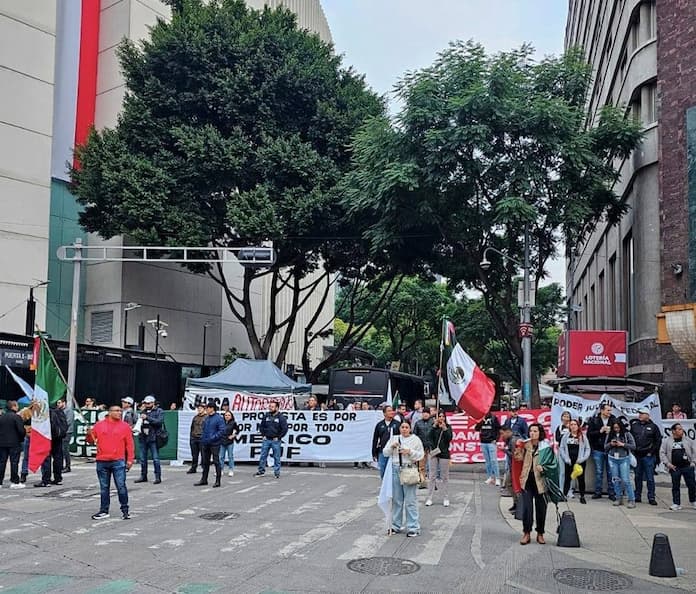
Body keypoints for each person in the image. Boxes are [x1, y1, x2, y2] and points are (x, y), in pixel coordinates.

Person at [86, 404, 135, 520]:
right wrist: (88, 434)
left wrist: (130, 460)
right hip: (102, 460)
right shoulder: (99, 425)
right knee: (104, 487)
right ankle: (104, 510)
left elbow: (130, 444)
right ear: (110, 412)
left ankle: (125, 509)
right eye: (117, 411)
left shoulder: (125, 427)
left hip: (118, 460)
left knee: (121, 486)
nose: (119, 413)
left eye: (120, 411)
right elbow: (90, 441)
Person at [383, 421, 424, 536]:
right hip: (395, 469)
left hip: (409, 469)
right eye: (402, 427)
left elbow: (420, 455)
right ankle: (396, 525)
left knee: (410, 500)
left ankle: (413, 527)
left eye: (407, 427)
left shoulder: (415, 439)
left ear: (410, 429)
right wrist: (391, 447)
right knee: (397, 500)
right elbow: (385, 453)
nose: (404, 429)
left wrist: (410, 452)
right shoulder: (394, 438)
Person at [519, 423, 549, 545]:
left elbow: (553, 464)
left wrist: (544, 468)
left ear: (540, 433)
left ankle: (540, 533)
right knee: (527, 508)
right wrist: (517, 449)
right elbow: (518, 460)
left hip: (540, 480)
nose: (532, 433)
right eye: (531, 431)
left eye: (535, 431)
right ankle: (526, 532)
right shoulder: (525, 445)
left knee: (541, 508)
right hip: (527, 479)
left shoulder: (545, 447)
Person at [660, 422, 696, 511]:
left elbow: (694, 452)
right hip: (674, 467)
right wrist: (668, 464)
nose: (681, 430)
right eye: (679, 429)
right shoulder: (667, 441)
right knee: (675, 486)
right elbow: (662, 453)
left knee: (692, 485)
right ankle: (676, 503)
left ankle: (693, 500)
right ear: (673, 431)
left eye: (681, 429)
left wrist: (693, 462)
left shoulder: (688, 440)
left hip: (687, 466)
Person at [630, 407, 662, 505]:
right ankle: (637, 496)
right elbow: (630, 439)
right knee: (637, 476)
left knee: (649, 478)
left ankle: (651, 497)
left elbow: (658, 441)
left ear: (647, 415)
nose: (640, 415)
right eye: (639, 413)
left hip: (648, 456)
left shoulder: (654, 427)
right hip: (637, 455)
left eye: (642, 413)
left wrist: (651, 452)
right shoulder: (634, 426)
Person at [587, 403, 617, 500]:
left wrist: (611, 431)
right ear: (602, 410)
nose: (609, 412)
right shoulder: (594, 420)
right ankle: (598, 491)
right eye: (608, 410)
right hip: (598, 449)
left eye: (610, 410)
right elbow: (589, 434)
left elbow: (619, 432)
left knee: (610, 472)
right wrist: (600, 431)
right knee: (599, 472)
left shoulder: (614, 419)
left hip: (610, 449)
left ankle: (611, 493)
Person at [35, 403, 68, 488]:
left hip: (47, 437)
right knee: (58, 458)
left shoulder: (45, 412)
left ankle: (46, 480)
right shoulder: (60, 412)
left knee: (46, 459)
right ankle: (58, 478)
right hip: (58, 438)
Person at [605, 420, 636, 508]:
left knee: (626, 480)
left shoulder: (627, 434)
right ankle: (618, 497)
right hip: (612, 458)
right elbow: (605, 447)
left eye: (618, 428)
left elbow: (633, 446)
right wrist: (611, 444)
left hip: (624, 458)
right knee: (615, 479)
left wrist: (622, 444)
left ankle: (631, 499)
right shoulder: (610, 434)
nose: (616, 429)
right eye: (614, 428)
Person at [559, 419, 590, 504]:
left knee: (581, 479)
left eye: (575, 424)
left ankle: (582, 496)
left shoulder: (583, 436)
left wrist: (583, 458)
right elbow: (561, 448)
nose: (573, 426)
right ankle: (564, 495)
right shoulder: (566, 436)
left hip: (579, 462)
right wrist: (565, 458)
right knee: (567, 479)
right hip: (569, 461)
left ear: (578, 426)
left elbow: (587, 449)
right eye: (571, 424)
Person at [195, 402, 226, 487]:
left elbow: (222, 431)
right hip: (205, 443)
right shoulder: (207, 418)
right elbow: (204, 430)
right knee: (205, 462)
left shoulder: (219, 418)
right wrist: (203, 439)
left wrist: (213, 438)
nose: (206, 410)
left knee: (216, 461)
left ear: (212, 408)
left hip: (215, 443)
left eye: (207, 408)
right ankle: (204, 479)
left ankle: (218, 481)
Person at [254, 401, 288, 478]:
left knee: (276, 456)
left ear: (277, 408)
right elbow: (262, 426)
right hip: (266, 439)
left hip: (276, 441)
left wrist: (279, 437)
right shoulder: (266, 416)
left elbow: (284, 429)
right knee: (263, 455)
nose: (270, 408)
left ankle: (277, 473)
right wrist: (263, 435)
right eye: (270, 406)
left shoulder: (281, 417)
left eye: (272, 407)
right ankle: (261, 471)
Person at [134, 395, 164, 484]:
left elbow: (159, 422)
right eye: (145, 403)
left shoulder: (159, 411)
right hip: (143, 437)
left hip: (153, 437)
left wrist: (147, 418)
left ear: (153, 403)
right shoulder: (143, 411)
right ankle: (143, 476)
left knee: (155, 458)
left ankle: (158, 476)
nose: (147, 405)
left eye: (148, 403)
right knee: (143, 459)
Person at [425, 411, 452, 507]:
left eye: (442, 416)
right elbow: (428, 437)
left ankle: (446, 497)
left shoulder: (448, 427)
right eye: (439, 416)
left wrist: (444, 429)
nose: (441, 418)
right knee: (432, 476)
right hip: (434, 453)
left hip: (444, 454)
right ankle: (429, 498)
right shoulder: (433, 427)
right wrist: (434, 426)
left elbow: (449, 438)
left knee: (444, 476)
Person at [0, 400, 26, 489]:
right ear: (13, 407)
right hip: (14, 443)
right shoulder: (16, 417)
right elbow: (21, 431)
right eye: (17, 405)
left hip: (2, 443)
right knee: (14, 462)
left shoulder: (1, 417)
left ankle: (0, 481)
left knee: (2, 462)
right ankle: (14, 481)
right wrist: (21, 439)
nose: (18, 407)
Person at [371, 406, 401, 478]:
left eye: (392, 411)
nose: (391, 412)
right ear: (384, 413)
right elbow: (375, 439)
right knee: (383, 470)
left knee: (394, 471)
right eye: (389, 411)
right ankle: (385, 487)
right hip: (383, 451)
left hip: (395, 451)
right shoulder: (379, 425)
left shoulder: (397, 424)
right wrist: (374, 452)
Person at [475, 410, 501, 486]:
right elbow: (476, 428)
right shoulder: (480, 418)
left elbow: (498, 429)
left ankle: (497, 478)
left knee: (493, 460)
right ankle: (490, 477)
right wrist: (481, 421)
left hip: (491, 442)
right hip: (483, 442)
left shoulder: (493, 417)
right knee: (487, 461)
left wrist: (496, 439)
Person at [413, 407, 434, 485]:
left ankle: (432, 482)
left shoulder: (433, 422)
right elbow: (414, 435)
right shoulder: (418, 423)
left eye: (427, 413)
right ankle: (422, 480)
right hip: (421, 447)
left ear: (429, 414)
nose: (425, 414)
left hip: (431, 447)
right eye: (424, 413)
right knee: (421, 466)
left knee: (432, 466)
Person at [187, 403, 206, 474]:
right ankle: (193, 467)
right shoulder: (195, 417)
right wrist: (191, 437)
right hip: (194, 438)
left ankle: (204, 468)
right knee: (194, 454)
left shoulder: (206, 417)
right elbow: (192, 428)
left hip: (202, 438)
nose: (199, 409)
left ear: (204, 409)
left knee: (203, 454)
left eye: (201, 408)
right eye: (198, 408)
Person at [220, 410, 239, 476]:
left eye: (228, 415)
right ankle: (220, 470)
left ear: (231, 416)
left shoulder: (233, 423)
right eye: (226, 415)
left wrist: (233, 436)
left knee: (230, 456)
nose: (227, 416)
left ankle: (231, 470)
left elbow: (237, 431)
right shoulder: (221, 423)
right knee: (221, 457)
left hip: (229, 442)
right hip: (222, 441)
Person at [57, 398, 74, 473]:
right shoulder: (59, 411)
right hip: (61, 432)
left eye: (59, 403)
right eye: (57, 403)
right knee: (61, 449)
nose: (58, 404)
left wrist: (61, 427)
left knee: (65, 449)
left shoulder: (68, 410)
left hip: (67, 432)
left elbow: (68, 421)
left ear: (64, 403)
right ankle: (61, 465)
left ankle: (68, 466)